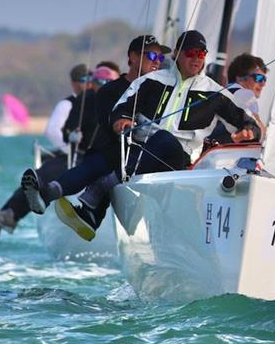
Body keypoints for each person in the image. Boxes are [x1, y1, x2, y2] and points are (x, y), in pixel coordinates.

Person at [22, 30, 261, 241]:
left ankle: (99, 190)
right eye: (191, 52)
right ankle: (49, 193)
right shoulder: (151, 81)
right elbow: (121, 109)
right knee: (102, 159)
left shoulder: (214, 93)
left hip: (179, 164)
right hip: (140, 154)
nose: (197, 58)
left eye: (202, 53)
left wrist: (250, 129)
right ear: (177, 53)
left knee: (164, 140)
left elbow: (245, 121)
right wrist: (121, 121)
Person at [13, 36, 170, 228]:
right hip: (117, 149)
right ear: (133, 57)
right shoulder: (109, 91)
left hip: (152, 152)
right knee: (102, 158)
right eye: (152, 55)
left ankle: (56, 197)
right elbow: (108, 123)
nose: (157, 61)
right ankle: (52, 194)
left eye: (161, 58)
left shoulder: (164, 90)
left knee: (103, 161)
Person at [0, 64, 92, 238]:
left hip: (85, 157)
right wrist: (70, 147)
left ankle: (6, 217)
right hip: (70, 154)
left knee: (41, 176)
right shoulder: (68, 104)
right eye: (83, 80)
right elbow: (52, 130)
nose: (87, 84)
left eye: (90, 80)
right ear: (73, 83)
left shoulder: (97, 101)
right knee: (36, 177)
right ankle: (6, 216)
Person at [209, 52, 268, 144]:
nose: (263, 83)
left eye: (264, 79)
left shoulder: (223, 94)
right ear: (240, 78)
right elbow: (261, 132)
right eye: (259, 78)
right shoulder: (244, 95)